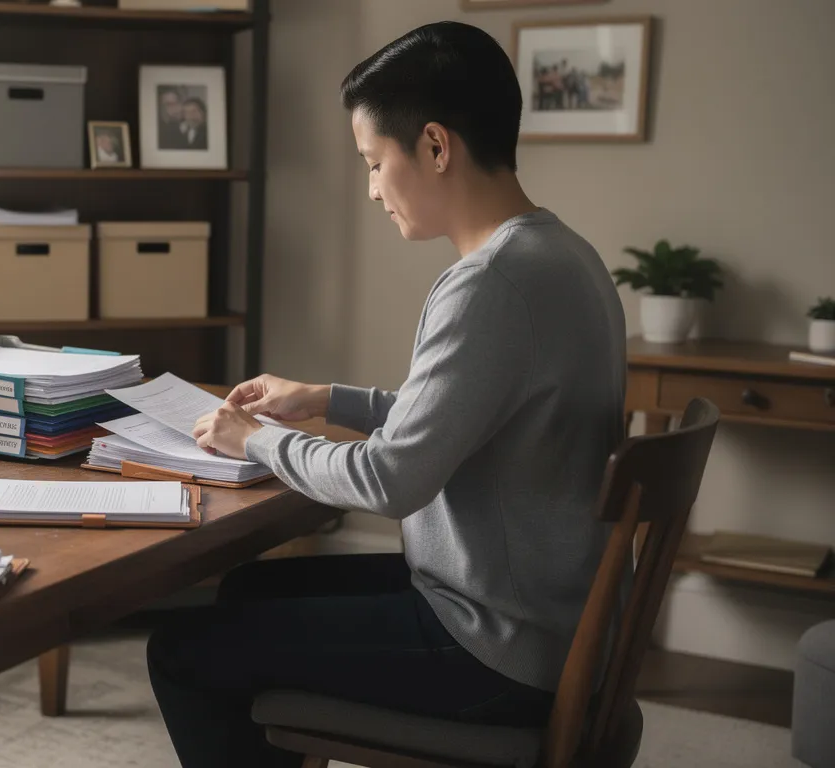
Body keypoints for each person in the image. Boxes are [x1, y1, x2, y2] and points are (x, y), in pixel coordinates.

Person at [148, 20, 627, 768]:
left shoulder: (489, 285)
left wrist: (255, 440)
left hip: (492, 646)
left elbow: (392, 478)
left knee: (181, 650)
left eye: (374, 163)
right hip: (539, 619)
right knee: (244, 591)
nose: (372, 189)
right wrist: (325, 398)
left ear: (435, 147)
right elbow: (470, 419)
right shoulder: (563, 256)